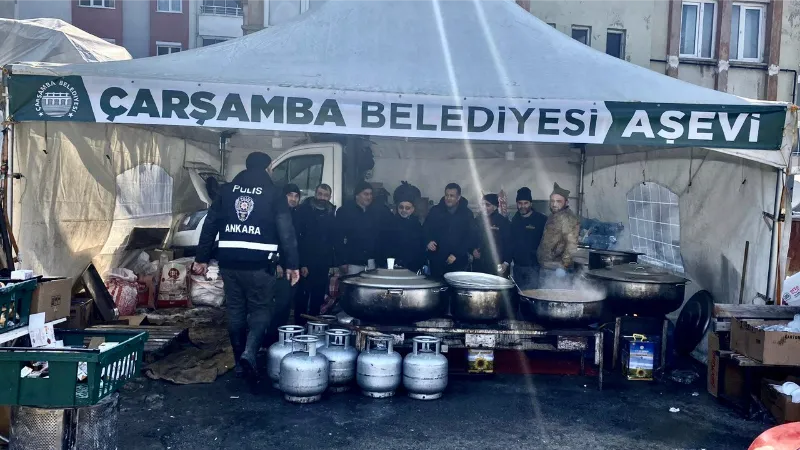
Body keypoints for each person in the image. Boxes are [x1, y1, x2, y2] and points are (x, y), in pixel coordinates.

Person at [193, 151, 299, 382]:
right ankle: (250, 353)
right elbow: (286, 230)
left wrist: (201, 257)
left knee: (235, 310)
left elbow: (211, 224)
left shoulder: (227, 191)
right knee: (261, 308)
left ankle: (239, 357)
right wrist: (292, 264)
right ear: (268, 167)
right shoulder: (274, 193)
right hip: (261, 265)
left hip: (229, 263)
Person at [293, 183, 336, 324]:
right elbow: (299, 239)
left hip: (323, 263)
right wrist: (302, 263)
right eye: (320, 194)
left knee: (318, 297)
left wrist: (332, 263)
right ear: (315, 194)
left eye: (326, 195)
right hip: (306, 261)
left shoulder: (330, 212)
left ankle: (314, 326)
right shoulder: (303, 210)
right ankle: (299, 327)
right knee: (302, 297)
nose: (322, 197)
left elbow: (332, 240)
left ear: (329, 196)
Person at [266, 183, 303, 344]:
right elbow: (272, 241)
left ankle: (280, 338)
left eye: (296, 196)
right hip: (278, 267)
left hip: (292, 267)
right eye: (290, 195)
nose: (293, 199)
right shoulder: (275, 215)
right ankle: (270, 339)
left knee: (286, 304)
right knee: (277, 304)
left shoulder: (297, 215)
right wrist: (276, 263)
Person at [335, 181, 390, 275]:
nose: (369, 197)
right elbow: (338, 238)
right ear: (357, 195)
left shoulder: (377, 212)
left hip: (372, 262)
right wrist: (342, 261)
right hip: (352, 262)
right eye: (366, 194)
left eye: (371, 194)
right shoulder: (344, 211)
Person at [423, 183, 473, 278]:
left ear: (458, 197)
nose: (448, 198)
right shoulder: (435, 211)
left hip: (458, 260)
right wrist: (428, 241)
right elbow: (425, 229)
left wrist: (457, 255)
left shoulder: (467, 214)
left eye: (452, 196)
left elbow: (469, 237)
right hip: (437, 259)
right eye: (446, 195)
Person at [537, 182, 581, 287]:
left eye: (558, 201)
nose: (554, 204)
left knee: (554, 299)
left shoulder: (568, 218)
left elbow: (571, 244)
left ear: (566, 202)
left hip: (556, 270)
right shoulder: (553, 216)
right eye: (552, 201)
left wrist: (564, 266)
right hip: (547, 266)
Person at [510, 187, 547, 290]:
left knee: (532, 296)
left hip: (534, 267)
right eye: (520, 203)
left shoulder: (541, 220)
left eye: (525, 203)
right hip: (517, 267)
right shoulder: (514, 219)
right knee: (518, 295)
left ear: (531, 203)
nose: (522, 206)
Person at [379, 191, 425, 272]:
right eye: (401, 207)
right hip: (393, 267)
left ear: (413, 209)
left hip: (412, 268)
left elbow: (420, 247)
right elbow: (384, 246)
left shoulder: (417, 225)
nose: (404, 210)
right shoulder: (389, 223)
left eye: (407, 208)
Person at [471, 193, 511, 275]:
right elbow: (469, 238)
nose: (484, 207)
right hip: (479, 264)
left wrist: (506, 262)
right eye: (482, 205)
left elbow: (509, 243)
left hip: (498, 264)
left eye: (487, 205)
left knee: (496, 287)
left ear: (495, 207)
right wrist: (472, 250)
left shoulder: (503, 222)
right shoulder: (476, 220)